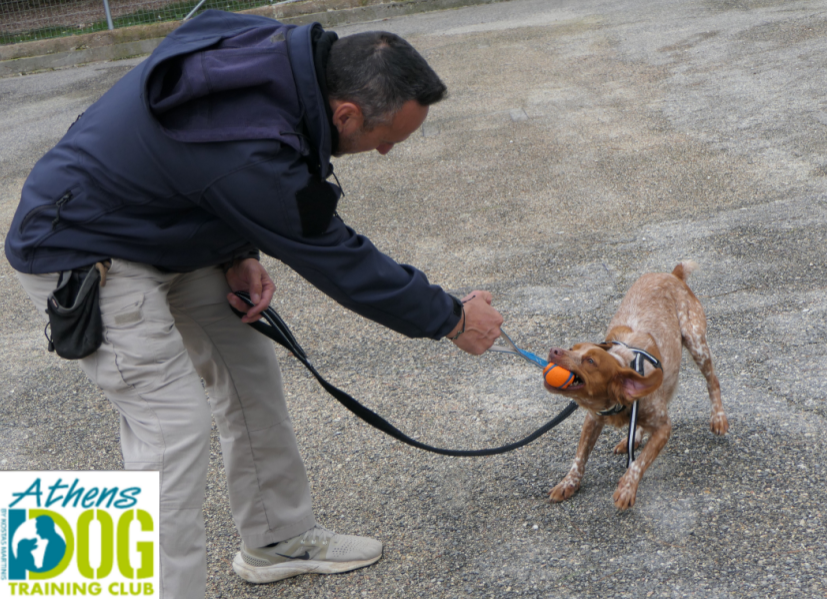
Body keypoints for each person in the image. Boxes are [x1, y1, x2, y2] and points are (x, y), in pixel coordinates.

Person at [5, 9, 503, 598]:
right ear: (346, 113)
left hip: (161, 229)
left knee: (250, 372)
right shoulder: (251, 147)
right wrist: (450, 317)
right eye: (386, 139)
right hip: (84, 249)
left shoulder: (284, 58)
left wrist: (237, 249)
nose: (386, 152)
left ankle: (276, 538)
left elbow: (202, 162)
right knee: (171, 426)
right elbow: (335, 256)